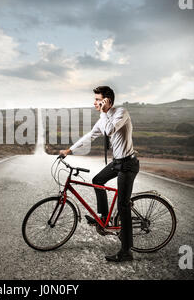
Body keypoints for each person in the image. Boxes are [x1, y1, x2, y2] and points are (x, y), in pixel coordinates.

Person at [59, 86, 139, 262]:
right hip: (117, 162)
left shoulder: (121, 112)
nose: (94, 103)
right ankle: (104, 217)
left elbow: (110, 130)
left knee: (123, 205)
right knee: (97, 180)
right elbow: (90, 135)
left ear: (108, 101)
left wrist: (104, 112)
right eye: (95, 100)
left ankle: (126, 252)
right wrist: (69, 150)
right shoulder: (103, 118)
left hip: (128, 164)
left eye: (98, 100)